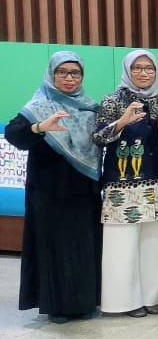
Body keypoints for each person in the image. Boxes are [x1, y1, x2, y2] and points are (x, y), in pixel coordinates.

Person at [5, 51, 102, 323]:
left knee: (83, 247)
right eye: (63, 72)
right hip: (48, 191)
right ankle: (57, 306)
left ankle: (85, 302)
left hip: (84, 190)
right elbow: (15, 136)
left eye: (75, 73)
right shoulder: (38, 105)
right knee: (54, 249)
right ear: (52, 74)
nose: (69, 78)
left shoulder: (89, 107)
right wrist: (39, 128)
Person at [94, 50, 158, 317]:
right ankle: (123, 301)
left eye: (149, 68)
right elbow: (98, 138)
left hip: (157, 184)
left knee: (153, 244)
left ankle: (151, 297)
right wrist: (121, 122)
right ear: (128, 71)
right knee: (122, 246)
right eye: (138, 68)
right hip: (122, 186)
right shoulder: (112, 100)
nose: (143, 73)